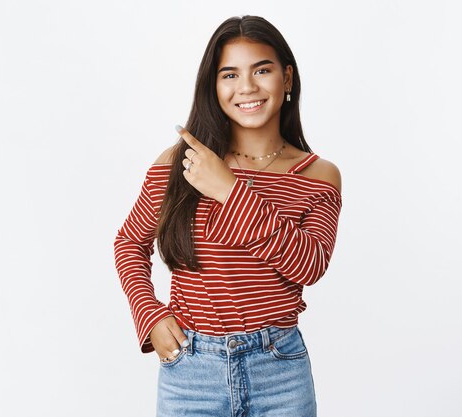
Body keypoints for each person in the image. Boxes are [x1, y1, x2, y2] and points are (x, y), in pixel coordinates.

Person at [114, 15, 342, 417]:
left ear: (287, 79)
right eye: (230, 74)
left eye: (263, 70)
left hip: (280, 372)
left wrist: (230, 191)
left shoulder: (318, 175)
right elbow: (130, 242)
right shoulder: (181, 164)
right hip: (191, 373)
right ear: (213, 86)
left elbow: (309, 266)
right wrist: (149, 315)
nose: (247, 87)